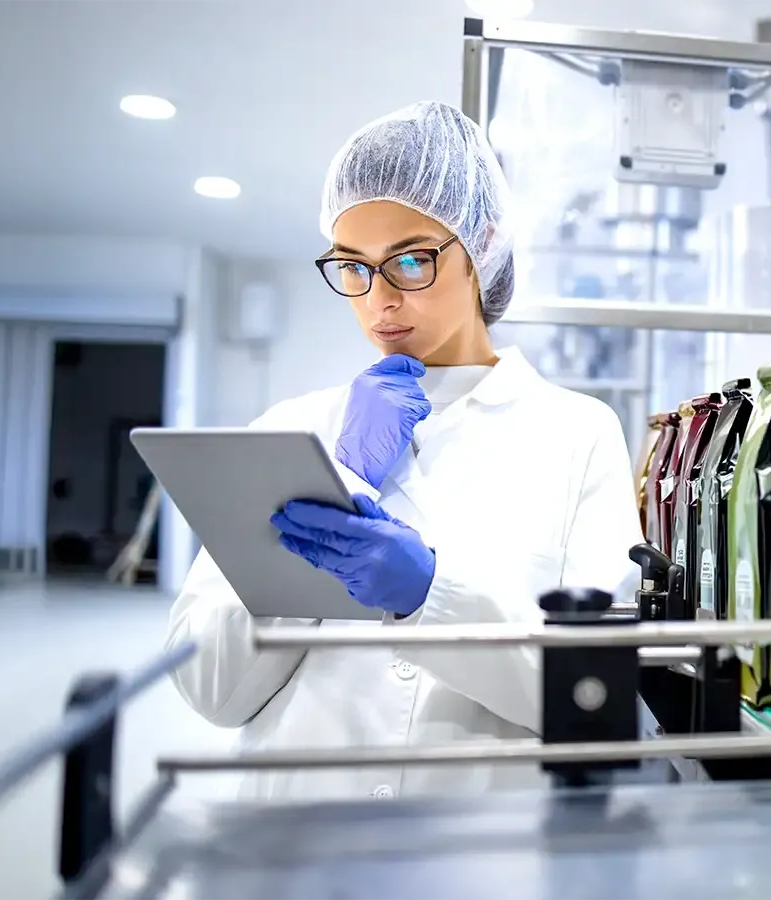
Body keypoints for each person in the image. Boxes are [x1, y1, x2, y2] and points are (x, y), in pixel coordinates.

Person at [166, 101, 643, 800]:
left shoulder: (577, 433)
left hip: (481, 846)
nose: (378, 301)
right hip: (299, 841)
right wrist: (340, 478)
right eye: (352, 267)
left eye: (411, 260)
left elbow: (594, 694)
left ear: (482, 243)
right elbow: (210, 688)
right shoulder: (291, 428)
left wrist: (431, 598)